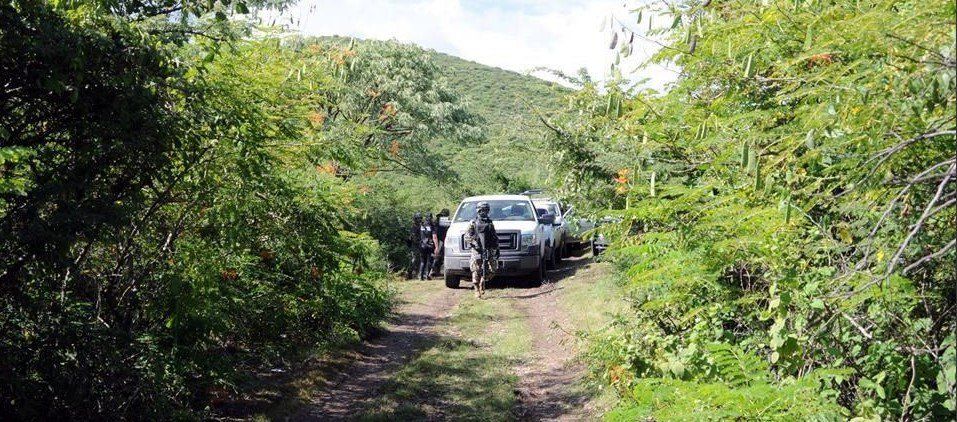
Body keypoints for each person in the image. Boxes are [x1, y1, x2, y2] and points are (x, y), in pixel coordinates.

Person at [464, 202, 499, 298]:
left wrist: (497, 248)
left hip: (489, 248)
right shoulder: (473, 223)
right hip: (477, 249)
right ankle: (476, 289)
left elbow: (494, 236)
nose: (485, 212)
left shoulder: (490, 222)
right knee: (476, 269)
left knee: (493, 269)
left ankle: (483, 280)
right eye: (483, 210)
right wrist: (475, 244)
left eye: (486, 210)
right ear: (479, 210)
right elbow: (467, 236)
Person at [418, 213, 439, 280]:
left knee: (422, 261)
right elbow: (434, 237)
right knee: (429, 260)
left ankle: (420, 276)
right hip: (430, 245)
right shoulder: (432, 225)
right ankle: (427, 275)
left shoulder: (422, 225)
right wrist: (437, 247)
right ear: (431, 217)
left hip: (422, 245)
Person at [430, 208, 450, 277]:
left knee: (438, 255)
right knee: (437, 256)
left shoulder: (438, 220)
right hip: (439, 239)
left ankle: (435, 270)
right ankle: (433, 270)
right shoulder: (442, 220)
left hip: (436, 239)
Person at [407, 212, 422, 279]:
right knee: (415, 259)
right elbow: (413, 237)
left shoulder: (421, 226)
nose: (419, 220)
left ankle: (417, 273)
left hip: (420, 244)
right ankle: (409, 272)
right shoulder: (413, 227)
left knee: (419, 259)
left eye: (420, 218)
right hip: (415, 245)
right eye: (417, 218)